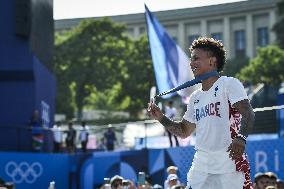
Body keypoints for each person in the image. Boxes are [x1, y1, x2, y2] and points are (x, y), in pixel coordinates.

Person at [147, 37, 255, 189]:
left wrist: (241, 138)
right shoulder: (195, 97)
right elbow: (184, 131)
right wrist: (161, 118)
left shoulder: (229, 84)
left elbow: (248, 113)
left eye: (196, 58)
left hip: (229, 162)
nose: (191, 64)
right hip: (202, 165)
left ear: (212, 61)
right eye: (191, 60)